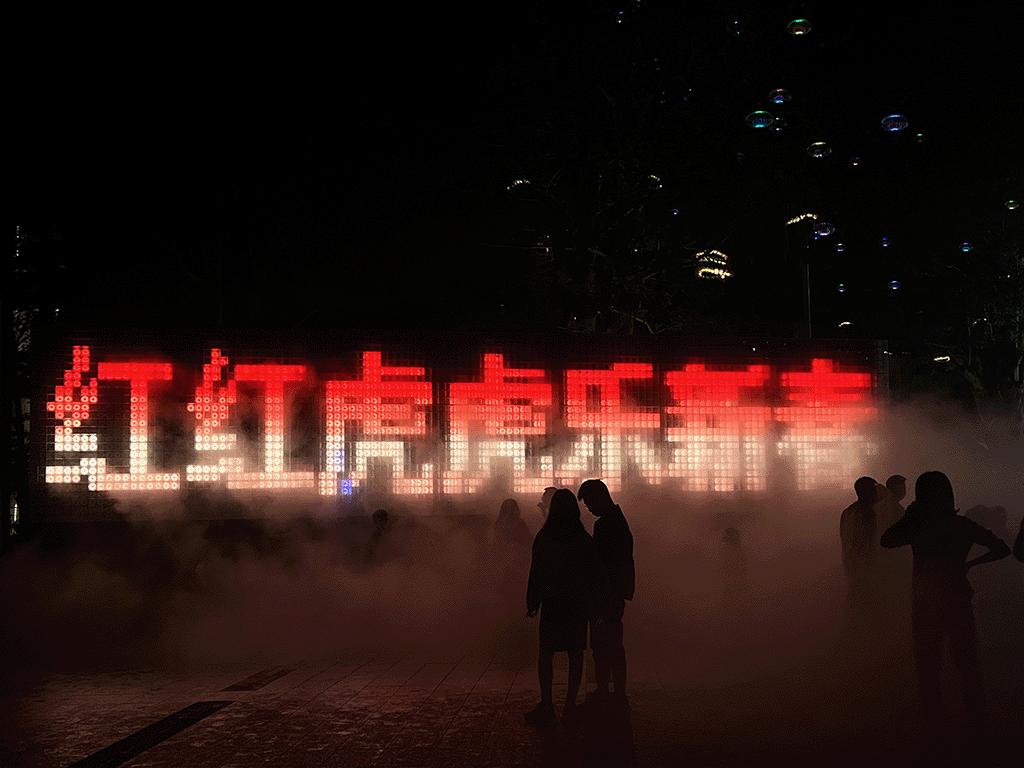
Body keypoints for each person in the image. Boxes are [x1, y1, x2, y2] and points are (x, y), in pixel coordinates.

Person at [881, 471, 1010, 734]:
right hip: (958, 596)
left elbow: (887, 540)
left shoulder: (917, 526)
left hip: (925, 601)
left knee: (928, 665)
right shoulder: (961, 525)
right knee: (967, 662)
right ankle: (977, 718)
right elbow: (1002, 549)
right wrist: (969, 564)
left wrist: (910, 516)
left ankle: (936, 725)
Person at [525, 489, 606, 727]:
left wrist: (533, 601)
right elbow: (594, 574)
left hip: (552, 602)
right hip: (577, 603)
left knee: (546, 652)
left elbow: (536, 571)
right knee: (575, 652)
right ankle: (570, 704)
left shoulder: (544, 538)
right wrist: (596, 604)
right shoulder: (583, 539)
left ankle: (547, 703)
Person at [577, 479, 635, 703]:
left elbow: (600, 563)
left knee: (602, 645)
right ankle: (618, 690)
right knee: (614, 644)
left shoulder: (604, 526)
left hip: (605, 594)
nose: (589, 508)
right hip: (616, 592)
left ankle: (604, 688)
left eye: (589, 503)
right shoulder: (618, 521)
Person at [840, 476, 880, 608]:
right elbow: (868, 541)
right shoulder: (868, 514)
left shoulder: (848, 512)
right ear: (868, 492)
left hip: (852, 564)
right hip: (865, 567)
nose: (877, 493)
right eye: (874, 490)